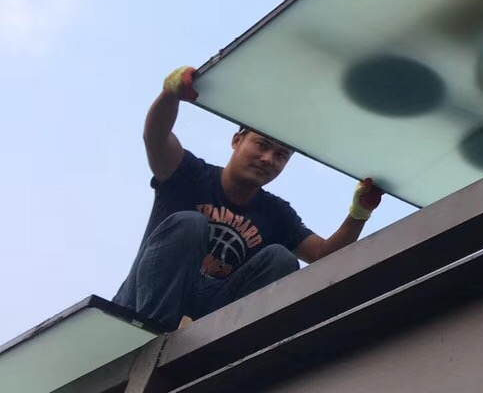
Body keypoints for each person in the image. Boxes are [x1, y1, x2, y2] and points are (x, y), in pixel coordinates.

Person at [115, 65, 384, 330]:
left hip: (209, 313)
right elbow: (156, 137)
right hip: (144, 302)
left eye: (281, 155)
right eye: (262, 145)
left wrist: (359, 213)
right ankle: (152, 331)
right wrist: (170, 95)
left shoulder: (275, 213)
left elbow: (324, 255)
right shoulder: (190, 175)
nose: (268, 159)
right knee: (189, 223)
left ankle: (227, 341)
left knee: (281, 259)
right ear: (237, 141)